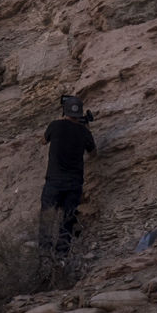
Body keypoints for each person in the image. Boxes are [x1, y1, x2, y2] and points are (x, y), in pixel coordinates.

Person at [39, 95, 97, 256]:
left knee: (47, 218)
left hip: (54, 181)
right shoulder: (84, 132)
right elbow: (93, 154)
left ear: (64, 111)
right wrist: (86, 129)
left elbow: (43, 141)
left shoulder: (55, 126)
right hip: (74, 183)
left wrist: (60, 120)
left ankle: (44, 254)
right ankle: (62, 255)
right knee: (67, 219)